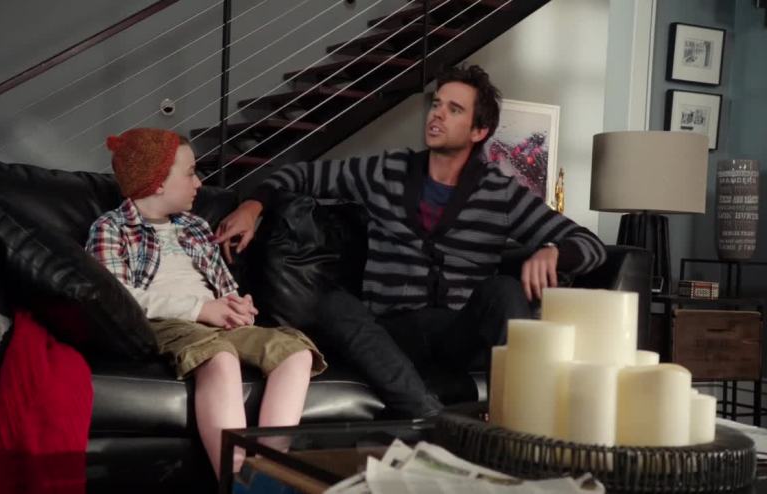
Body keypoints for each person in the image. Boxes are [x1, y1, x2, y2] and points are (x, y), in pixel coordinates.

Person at [215, 65, 606, 418]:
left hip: (458, 334)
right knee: (333, 304)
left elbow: (589, 244)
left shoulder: (501, 194)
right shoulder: (386, 171)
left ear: (479, 131)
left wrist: (554, 252)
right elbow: (300, 176)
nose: (437, 114)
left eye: (454, 109)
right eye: (437, 104)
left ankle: (520, 423)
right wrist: (252, 206)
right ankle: (432, 417)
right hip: (391, 333)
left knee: (504, 290)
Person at [85, 128, 326, 478]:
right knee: (221, 357)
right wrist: (200, 310)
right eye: (190, 173)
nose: (199, 183)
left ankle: (269, 474)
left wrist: (237, 305)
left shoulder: (195, 226)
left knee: (296, 352)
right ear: (158, 183)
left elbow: (222, 285)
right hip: (166, 322)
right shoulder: (112, 228)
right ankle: (235, 480)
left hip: (215, 320)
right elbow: (117, 297)